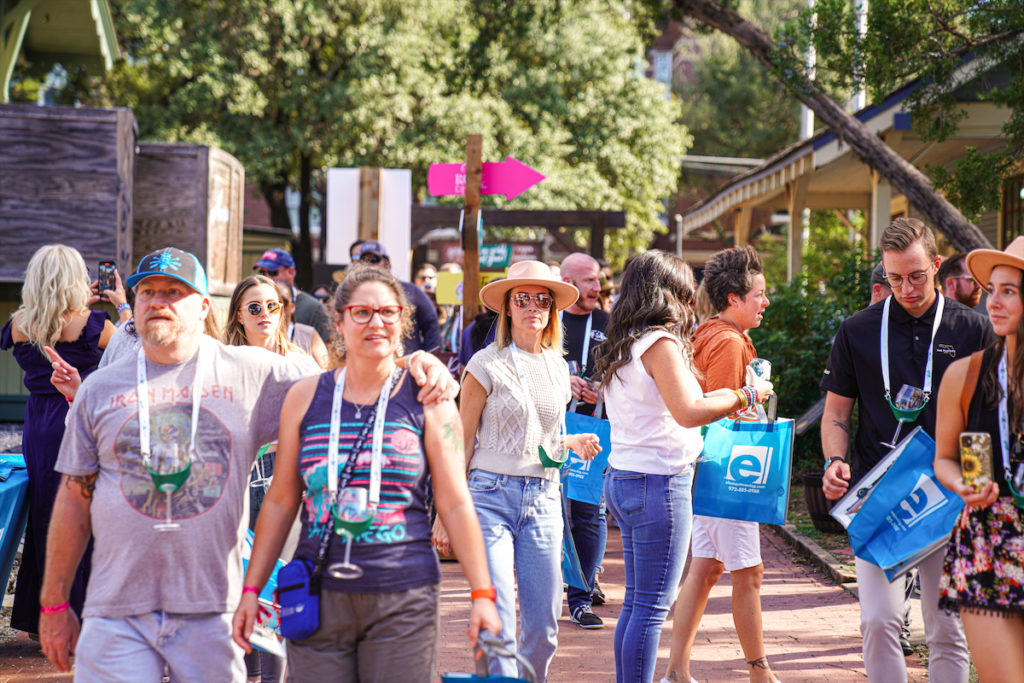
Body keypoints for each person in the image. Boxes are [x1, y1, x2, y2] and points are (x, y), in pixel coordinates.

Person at [37, 246, 457, 678]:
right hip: (115, 611)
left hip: (211, 612)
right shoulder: (100, 389)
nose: (159, 302)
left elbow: (347, 385)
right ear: (135, 303)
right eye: (148, 292)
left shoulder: (251, 371)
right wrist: (54, 602)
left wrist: (410, 361)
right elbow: (72, 501)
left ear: (203, 306)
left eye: (173, 292)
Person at [233, 263, 500, 680]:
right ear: (339, 322)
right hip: (319, 592)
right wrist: (252, 590)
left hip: (403, 593)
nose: (376, 322)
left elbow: (454, 501)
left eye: (388, 312)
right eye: (361, 312)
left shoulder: (430, 399)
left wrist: (483, 592)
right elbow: (282, 499)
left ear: (402, 320)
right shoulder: (305, 397)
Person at [820, 217, 994, 683]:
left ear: (937, 266)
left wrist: (978, 490)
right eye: (895, 278)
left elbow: (988, 418)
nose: (907, 288)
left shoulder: (974, 329)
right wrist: (834, 461)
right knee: (878, 622)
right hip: (879, 493)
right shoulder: (857, 330)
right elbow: (836, 412)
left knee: (946, 626)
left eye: (917, 275)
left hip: (950, 493)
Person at [594, 250, 773, 683]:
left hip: (625, 476)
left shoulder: (625, 343)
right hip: (659, 482)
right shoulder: (660, 343)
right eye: (684, 293)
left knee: (638, 604)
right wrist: (747, 396)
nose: (690, 303)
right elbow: (690, 410)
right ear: (667, 294)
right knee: (651, 608)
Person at [435, 260, 601, 682]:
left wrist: (571, 443)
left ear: (552, 309)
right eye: (522, 299)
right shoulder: (484, 364)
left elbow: (543, 439)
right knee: (499, 618)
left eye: (542, 299)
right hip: (488, 496)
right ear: (507, 307)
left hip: (544, 499)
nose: (533, 307)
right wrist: (444, 510)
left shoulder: (558, 367)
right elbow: (463, 439)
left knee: (545, 630)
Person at [664, 245, 777, 683]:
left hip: (708, 468)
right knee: (749, 573)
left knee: (706, 567)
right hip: (732, 469)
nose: (765, 302)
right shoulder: (729, 341)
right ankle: (759, 672)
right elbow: (726, 410)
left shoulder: (709, 331)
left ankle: (677, 668)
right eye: (759, 295)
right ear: (734, 298)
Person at [0, 245, 118, 636]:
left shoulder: (20, 325)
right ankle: (84, 616)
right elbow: (134, 353)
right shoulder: (93, 326)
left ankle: (40, 619)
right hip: (79, 419)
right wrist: (120, 302)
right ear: (73, 280)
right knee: (85, 512)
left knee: (46, 513)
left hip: (38, 424)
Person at [932, 237, 1024, 683]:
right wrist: (962, 485)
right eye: (992, 289)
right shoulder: (964, 373)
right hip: (987, 536)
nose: (994, 300)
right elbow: (945, 458)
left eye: (1010, 290)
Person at [225, 274, 321, 683]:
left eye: (273, 306)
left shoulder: (301, 363)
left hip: (287, 481)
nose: (265, 314)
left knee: (280, 582)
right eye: (254, 307)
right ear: (239, 317)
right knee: (240, 579)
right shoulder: (223, 364)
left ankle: (273, 675)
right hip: (237, 481)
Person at [559, 252, 610, 630]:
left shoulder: (609, 323)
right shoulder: (548, 319)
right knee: (550, 512)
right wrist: (564, 379)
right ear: (568, 281)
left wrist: (602, 389)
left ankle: (581, 596)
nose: (596, 287)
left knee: (587, 511)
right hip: (551, 429)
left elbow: (626, 373)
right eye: (588, 280)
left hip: (593, 429)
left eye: (597, 280)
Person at [357, 240, 441, 354]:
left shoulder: (410, 291)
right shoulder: (355, 294)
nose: (370, 265)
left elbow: (431, 323)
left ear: (386, 262)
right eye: (365, 260)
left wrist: (429, 356)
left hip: (406, 363)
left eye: (374, 260)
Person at [253, 248, 333, 344]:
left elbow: (327, 351)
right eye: (262, 273)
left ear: (291, 272)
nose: (267, 278)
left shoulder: (315, 308)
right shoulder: (255, 305)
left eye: (272, 272)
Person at [275, 281, 329, 369]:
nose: (278, 307)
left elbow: (326, 369)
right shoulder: (259, 335)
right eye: (272, 304)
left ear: (293, 306)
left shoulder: (309, 334)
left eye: (283, 302)